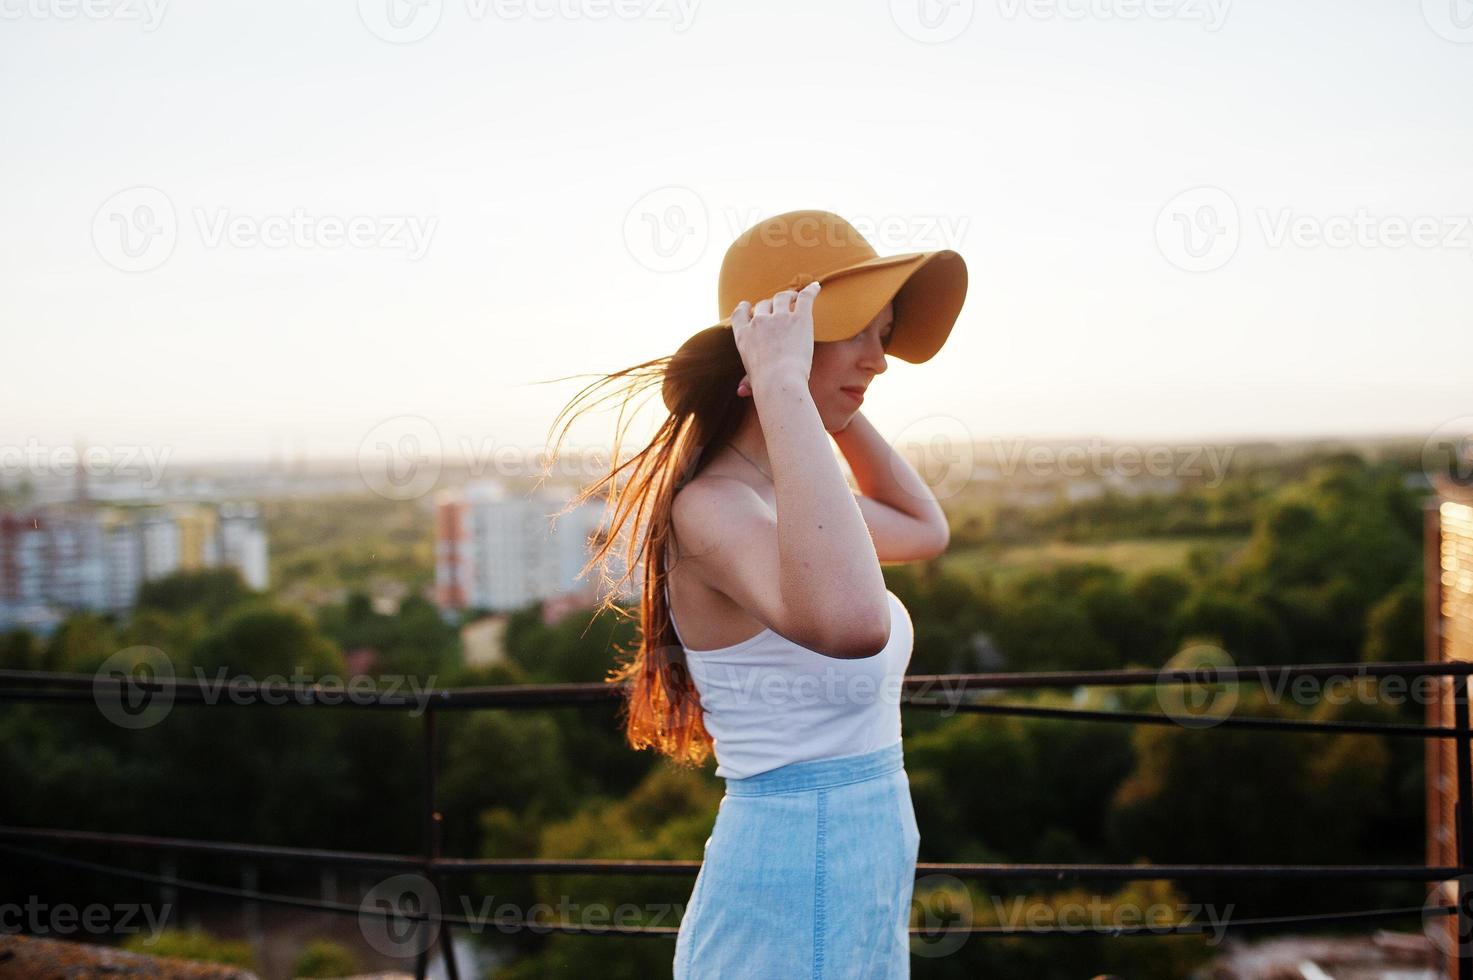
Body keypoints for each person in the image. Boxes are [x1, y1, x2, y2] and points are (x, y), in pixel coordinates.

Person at [543, 209, 968, 977]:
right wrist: (782, 384)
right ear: (781, 345)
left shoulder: (788, 502)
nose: (881, 360)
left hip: (860, 872)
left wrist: (819, 407)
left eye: (887, 333)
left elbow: (921, 527)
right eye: (862, 333)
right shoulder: (714, 508)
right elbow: (849, 624)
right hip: (790, 880)